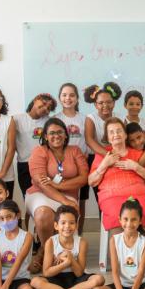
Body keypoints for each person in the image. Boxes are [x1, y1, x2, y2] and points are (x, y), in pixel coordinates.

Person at [27, 117, 89, 271]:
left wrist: (59, 185)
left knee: (68, 211)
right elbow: (41, 182)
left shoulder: (75, 151)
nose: (56, 136)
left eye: (60, 132)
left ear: (66, 134)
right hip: (39, 193)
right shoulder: (39, 151)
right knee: (43, 214)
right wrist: (63, 199)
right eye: (52, 133)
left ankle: (48, 253)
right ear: (46, 136)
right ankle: (47, 253)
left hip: (68, 194)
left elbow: (84, 177)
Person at [88, 117, 145, 235]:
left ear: (125, 135)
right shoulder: (102, 155)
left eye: (119, 131)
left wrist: (136, 167)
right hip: (111, 197)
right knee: (116, 215)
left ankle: (138, 249)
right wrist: (104, 165)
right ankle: (121, 251)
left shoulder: (138, 153)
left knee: (140, 212)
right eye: (111, 132)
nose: (116, 134)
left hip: (138, 195)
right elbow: (91, 182)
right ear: (108, 138)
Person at [30, 205, 104, 289]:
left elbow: (79, 273)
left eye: (72, 223)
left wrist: (70, 258)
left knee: (99, 279)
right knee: (35, 281)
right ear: (56, 226)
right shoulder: (51, 242)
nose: (67, 226)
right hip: (56, 277)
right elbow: (46, 272)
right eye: (63, 223)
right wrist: (65, 264)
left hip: (75, 278)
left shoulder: (82, 242)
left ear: (76, 225)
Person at [56, 83, 90, 233]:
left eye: (71, 95)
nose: (67, 98)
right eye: (64, 95)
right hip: (61, 167)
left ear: (77, 98)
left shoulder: (85, 119)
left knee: (80, 201)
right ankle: (60, 235)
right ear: (59, 98)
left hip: (81, 166)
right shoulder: (55, 119)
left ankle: (79, 234)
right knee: (60, 199)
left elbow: (89, 141)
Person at [14, 93, 57, 198]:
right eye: (44, 103)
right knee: (28, 195)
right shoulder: (17, 119)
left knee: (44, 195)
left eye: (48, 108)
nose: (45, 108)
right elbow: (10, 142)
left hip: (44, 164)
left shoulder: (49, 121)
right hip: (24, 164)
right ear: (35, 99)